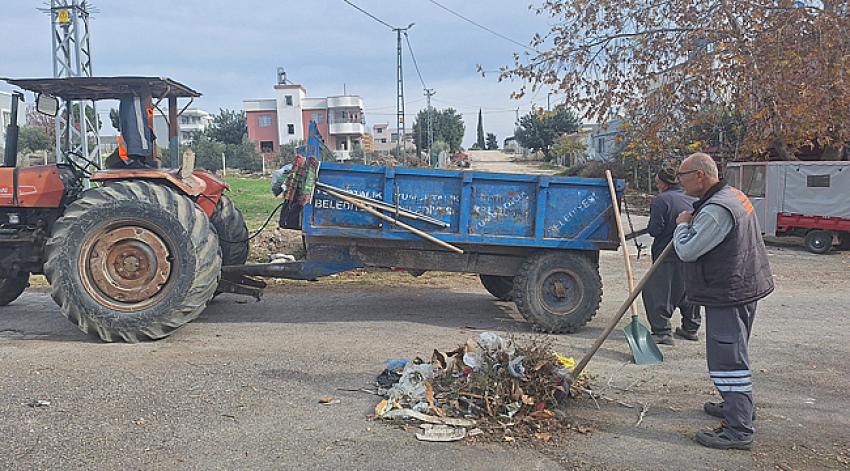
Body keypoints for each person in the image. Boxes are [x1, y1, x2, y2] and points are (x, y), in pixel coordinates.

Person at [673, 153, 774, 450]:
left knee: (727, 360)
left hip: (728, 292)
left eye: (683, 175)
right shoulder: (734, 195)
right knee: (734, 352)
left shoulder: (717, 210)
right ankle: (737, 406)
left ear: (700, 176)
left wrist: (682, 225)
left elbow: (688, 250)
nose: (680, 181)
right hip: (744, 285)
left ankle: (738, 428)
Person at [642, 167, 701, 345]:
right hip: (690, 254)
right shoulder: (694, 199)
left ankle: (662, 332)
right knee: (687, 292)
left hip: (666, 256)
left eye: (657, 180)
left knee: (657, 293)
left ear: (662, 182)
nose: (656, 184)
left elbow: (654, 230)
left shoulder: (661, 200)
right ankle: (690, 328)